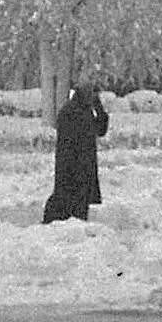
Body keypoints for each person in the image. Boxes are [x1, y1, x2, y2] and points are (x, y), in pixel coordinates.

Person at [42, 84, 109, 224]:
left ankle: (72, 227)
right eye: (91, 96)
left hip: (83, 164)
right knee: (70, 198)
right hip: (72, 164)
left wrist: (99, 108)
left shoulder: (84, 111)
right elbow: (87, 132)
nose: (92, 99)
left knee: (78, 199)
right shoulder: (71, 111)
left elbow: (101, 130)